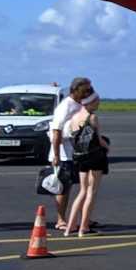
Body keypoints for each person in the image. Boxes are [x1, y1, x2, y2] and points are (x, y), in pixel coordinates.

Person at [49, 76, 92, 231]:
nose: (88, 92)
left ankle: (83, 216)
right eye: (85, 89)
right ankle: (61, 219)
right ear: (76, 89)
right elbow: (56, 131)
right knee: (64, 187)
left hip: (78, 152)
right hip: (64, 153)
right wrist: (56, 155)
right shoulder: (65, 106)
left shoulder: (81, 104)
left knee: (84, 185)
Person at [63, 94, 108, 237]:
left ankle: (69, 227)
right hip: (95, 157)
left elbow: (72, 137)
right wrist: (107, 147)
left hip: (80, 157)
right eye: (96, 102)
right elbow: (99, 140)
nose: (98, 104)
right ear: (89, 103)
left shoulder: (73, 119)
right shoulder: (93, 118)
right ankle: (84, 227)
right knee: (91, 192)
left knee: (82, 191)